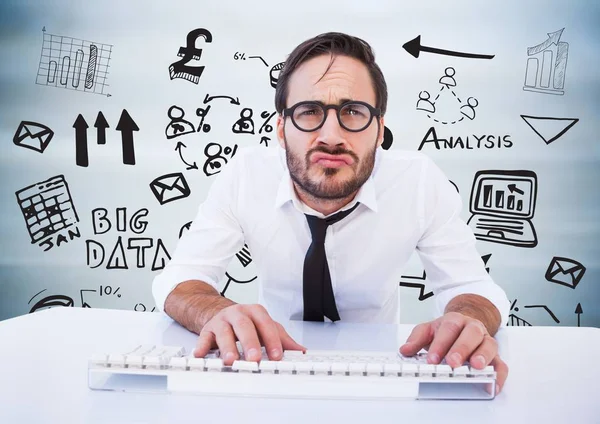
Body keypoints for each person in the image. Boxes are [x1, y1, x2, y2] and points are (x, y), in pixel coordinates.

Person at [152, 32, 510, 394]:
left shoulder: (419, 181)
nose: (331, 135)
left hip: (382, 378)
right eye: (309, 111)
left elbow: (470, 286)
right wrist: (213, 311)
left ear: (380, 129)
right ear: (280, 128)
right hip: (265, 369)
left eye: (353, 111)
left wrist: (466, 320)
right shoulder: (245, 174)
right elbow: (182, 276)